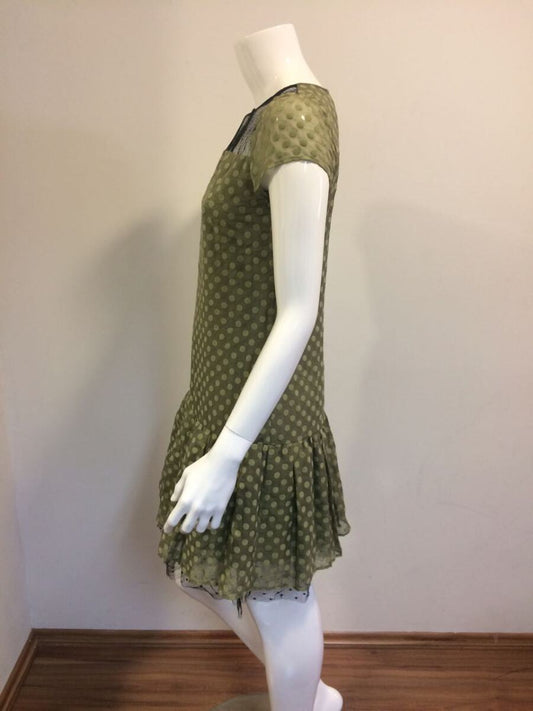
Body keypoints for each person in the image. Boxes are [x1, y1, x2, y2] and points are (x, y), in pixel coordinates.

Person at [156, 22, 350, 711]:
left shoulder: (296, 121)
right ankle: (307, 694)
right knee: (197, 572)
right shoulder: (265, 114)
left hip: (260, 422)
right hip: (223, 392)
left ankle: (304, 700)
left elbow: (299, 308)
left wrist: (230, 450)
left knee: (276, 596)